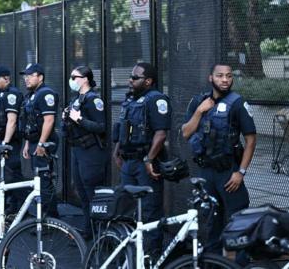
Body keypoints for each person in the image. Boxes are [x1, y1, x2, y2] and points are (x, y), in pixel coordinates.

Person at [181, 63, 256, 259]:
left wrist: (241, 172)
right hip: (206, 173)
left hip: (228, 172)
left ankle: (240, 263)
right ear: (211, 78)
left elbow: (250, 139)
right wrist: (199, 111)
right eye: (220, 76)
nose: (225, 80)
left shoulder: (238, 103)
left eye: (229, 76)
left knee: (237, 222)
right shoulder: (198, 101)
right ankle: (214, 263)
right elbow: (186, 133)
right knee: (212, 222)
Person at [112, 62, 171, 253]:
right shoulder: (130, 100)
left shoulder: (156, 99)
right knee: (126, 205)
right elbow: (124, 128)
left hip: (146, 163)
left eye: (135, 77)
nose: (130, 80)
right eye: (131, 76)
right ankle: (130, 252)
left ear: (148, 81)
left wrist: (149, 159)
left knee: (150, 209)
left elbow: (161, 134)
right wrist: (117, 150)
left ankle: (151, 254)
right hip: (129, 160)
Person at [62, 66, 107, 239]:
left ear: (85, 79)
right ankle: (89, 231)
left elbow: (101, 126)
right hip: (78, 150)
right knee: (82, 192)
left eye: (75, 77)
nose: (72, 80)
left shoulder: (93, 99)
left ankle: (101, 234)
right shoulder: (77, 99)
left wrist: (78, 119)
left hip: (91, 152)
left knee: (92, 193)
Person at [20, 63, 59, 217]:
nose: (26, 79)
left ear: (40, 77)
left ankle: (49, 217)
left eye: (30, 75)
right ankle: (41, 215)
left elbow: (49, 120)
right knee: (38, 179)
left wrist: (42, 144)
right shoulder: (30, 95)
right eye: (25, 76)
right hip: (34, 142)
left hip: (45, 143)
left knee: (44, 180)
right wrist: (27, 143)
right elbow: (30, 121)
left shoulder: (46, 93)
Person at [0, 65, 25, 213]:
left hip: (9, 143)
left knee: (13, 175)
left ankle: (22, 207)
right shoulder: (2, 94)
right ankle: (13, 206)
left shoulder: (12, 94)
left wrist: (6, 143)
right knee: (7, 174)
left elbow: (12, 120)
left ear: (5, 79)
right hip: (1, 140)